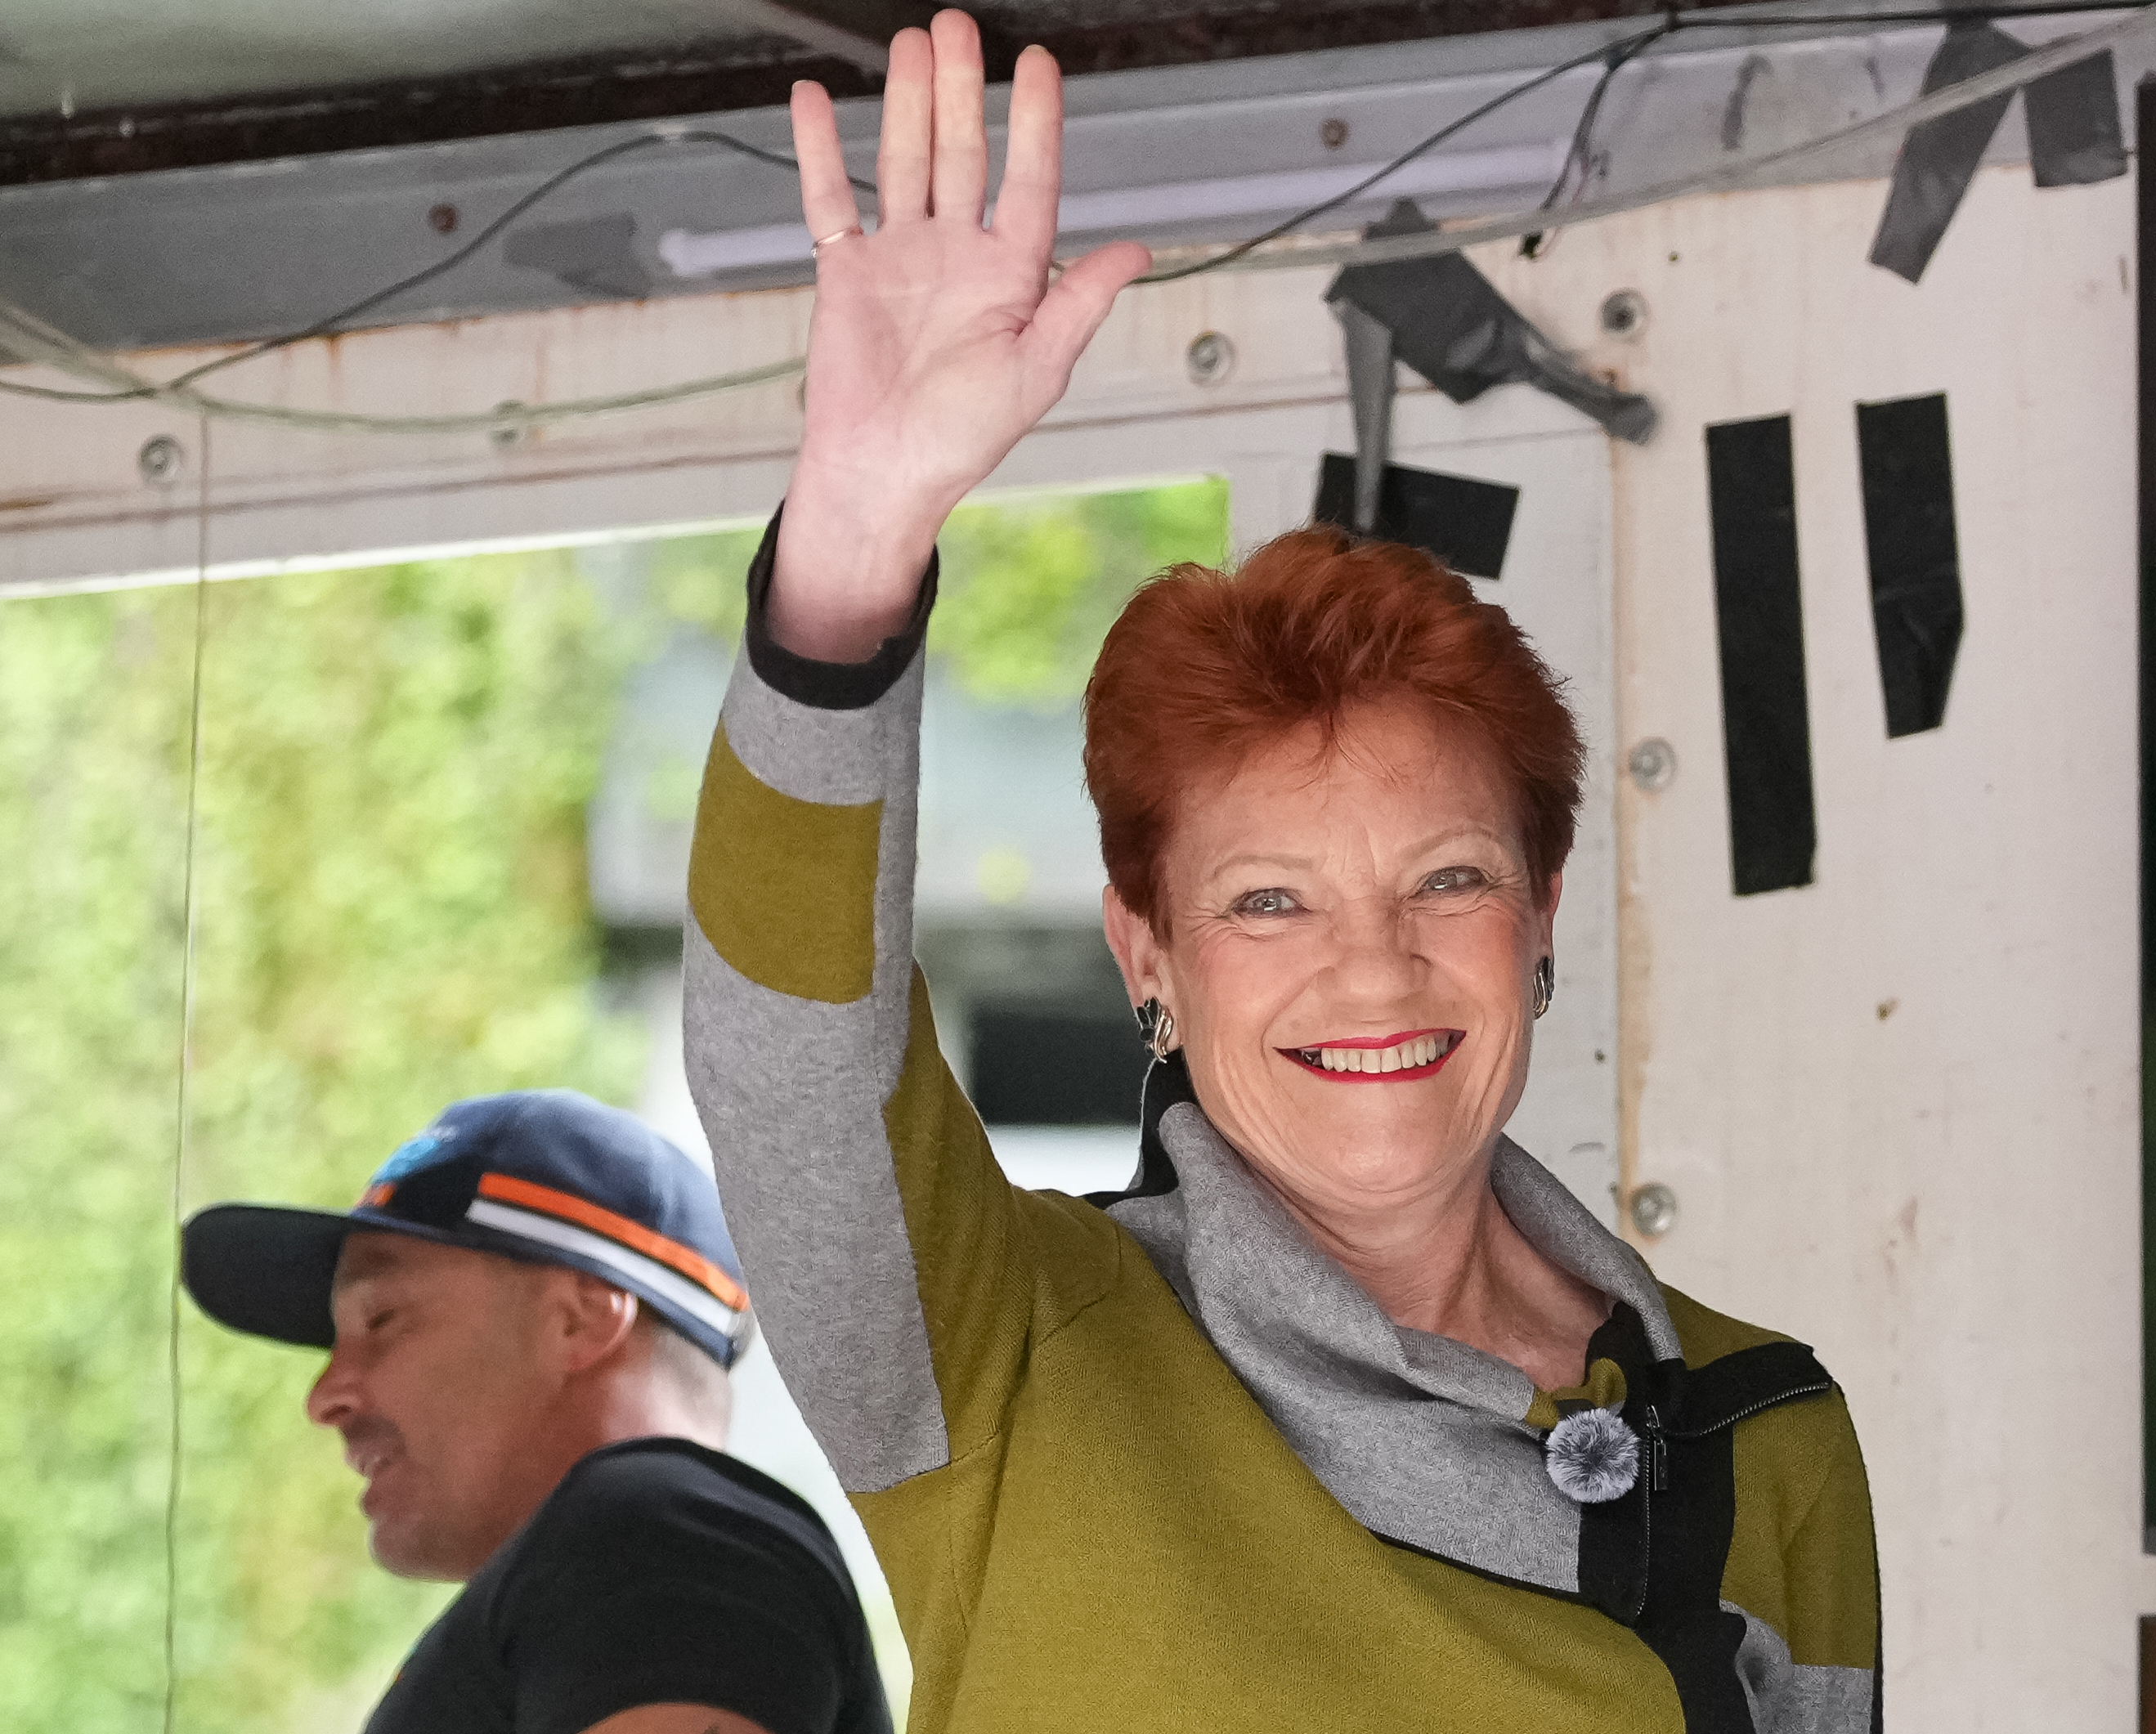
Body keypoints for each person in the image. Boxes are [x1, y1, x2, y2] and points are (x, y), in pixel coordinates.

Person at [684, 11, 1880, 1729]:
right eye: (1267, 901)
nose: (1374, 968)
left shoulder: (1765, 1430)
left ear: (1543, 910)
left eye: (1448, 881)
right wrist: (854, 547)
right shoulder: (1001, 1349)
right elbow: (791, 1056)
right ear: (1143, 950)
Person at [179, 1088, 890, 1734]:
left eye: (383, 1318)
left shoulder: (657, 1530)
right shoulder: (627, 1563)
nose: (326, 1394)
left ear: (579, 1320)